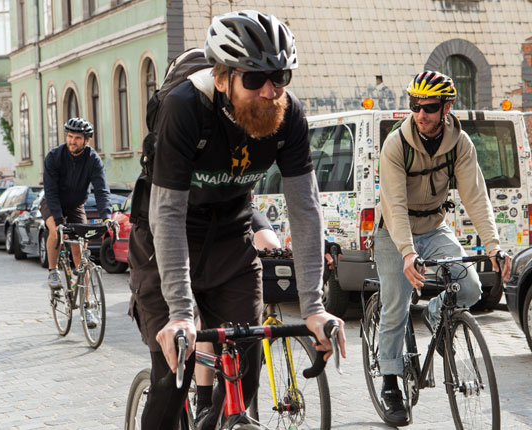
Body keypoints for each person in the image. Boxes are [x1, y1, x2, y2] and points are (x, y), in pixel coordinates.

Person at [127, 10, 346, 430]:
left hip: (231, 240)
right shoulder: (185, 109)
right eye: (254, 79)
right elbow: (167, 215)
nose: (269, 91)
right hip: (165, 243)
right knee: (175, 373)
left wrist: (315, 306)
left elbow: (305, 208)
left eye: (280, 77)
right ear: (223, 76)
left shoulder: (289, 116)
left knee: (243, 372)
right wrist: (180, 312)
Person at [374, 70, 512, 427]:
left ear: (447, 107)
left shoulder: (460, 143)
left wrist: (495, 247)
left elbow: (476, 197)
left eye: (430, 107)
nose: (421, 113)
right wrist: (406, 252)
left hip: (434, 226)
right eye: (415, 106)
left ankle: (437, 316)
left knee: (469, 286)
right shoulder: (396, 145)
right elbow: (394, 204)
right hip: (394, 232)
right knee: (396, 304)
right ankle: (390, 381)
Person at [194, 208, 281, 423]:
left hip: (239, 209)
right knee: (207, 320)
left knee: (273, 248)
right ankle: (203, 401)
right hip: (197, 225)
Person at [42, 117, 112, 326]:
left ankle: (87, 305)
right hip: (53, 203)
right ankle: (53, 272)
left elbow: (101, 189)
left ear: (86, 141)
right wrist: (59, 220)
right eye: (70, 137)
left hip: (76, 206)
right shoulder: (54, 157)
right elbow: (51, 191)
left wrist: (107, 216)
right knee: (56, 231)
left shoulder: (93, 160)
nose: (72, 141)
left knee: (81, 252)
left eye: (77, 138)